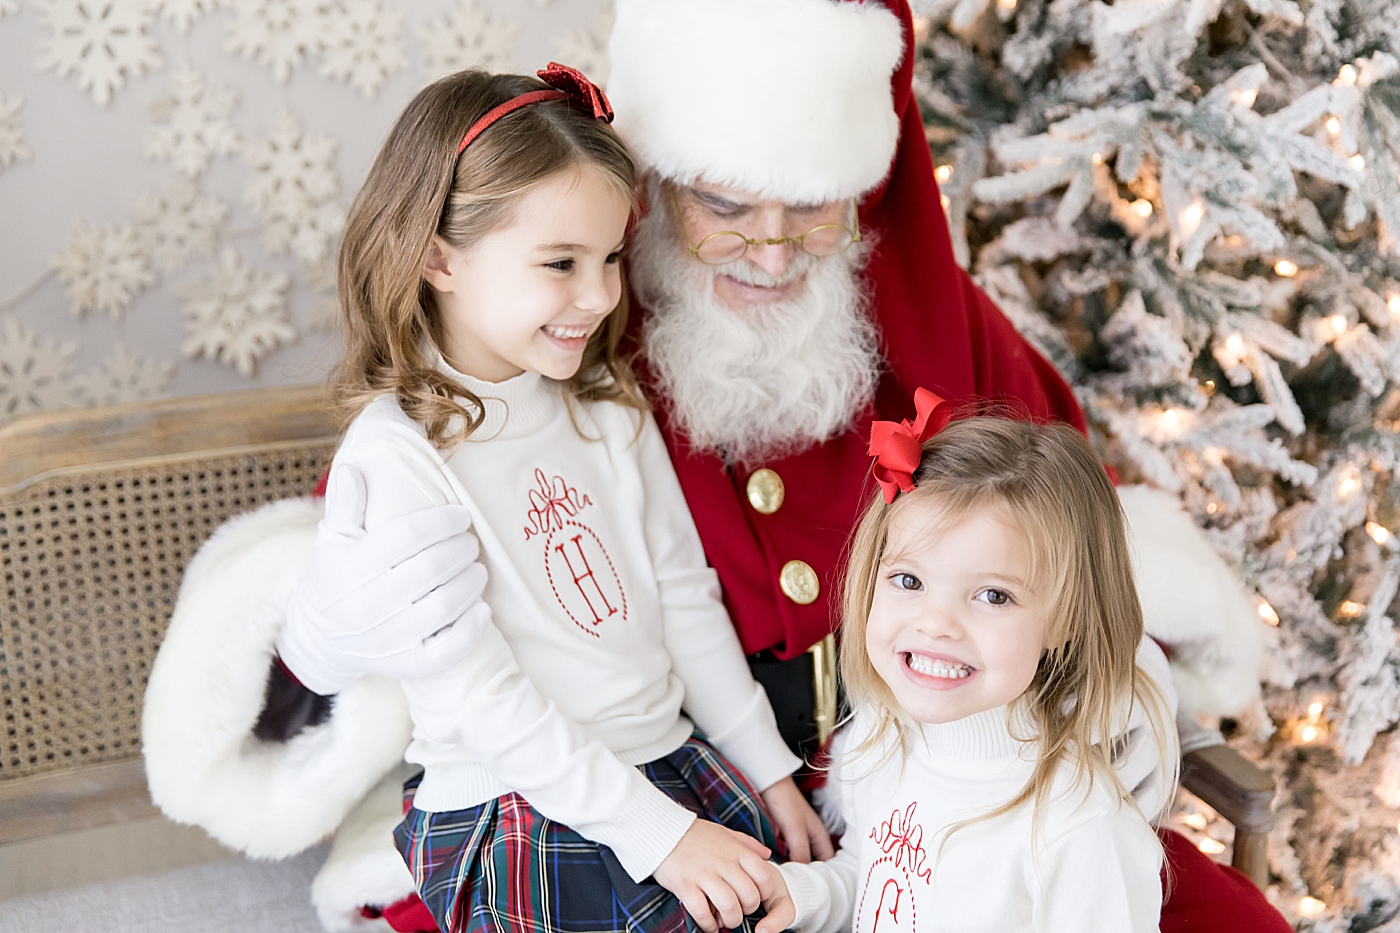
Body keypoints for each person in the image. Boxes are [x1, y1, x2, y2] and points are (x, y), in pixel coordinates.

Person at [143, 2, 1285, 931]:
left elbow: (1067, 538)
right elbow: (399, 629)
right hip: (580, 782)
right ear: (660, 183)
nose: (772, 246)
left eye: (811, 207)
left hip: (909, 755)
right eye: (725, 203)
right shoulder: (570, 325)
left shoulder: (901, 329)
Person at [278, 63, 827, 933]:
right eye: (561, 263)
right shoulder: (399, 456)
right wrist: (663, 839)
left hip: (665, 758)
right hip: (516, 796)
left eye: (609, 258)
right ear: (438, 257)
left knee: (806, 905)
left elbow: (685, 599)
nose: (601, 295)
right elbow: (485, 703)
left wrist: (765, 770)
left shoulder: (605, 407)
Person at [755, 401, 1180, 932]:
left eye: (993, 596)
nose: (937, 625)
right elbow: (877, 883)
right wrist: (808, 895)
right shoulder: (882, 742)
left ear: (1066, 619)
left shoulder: (1080, 828)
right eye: (909, 581)